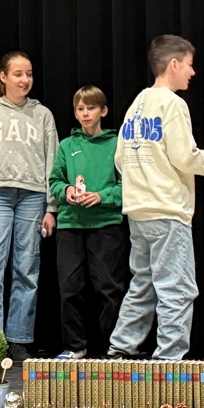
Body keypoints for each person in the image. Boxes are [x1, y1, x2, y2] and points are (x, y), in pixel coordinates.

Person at [108, 35, 204, 362]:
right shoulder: (174, 104)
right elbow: (186, 158)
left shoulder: (137, 103)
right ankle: (168, 361)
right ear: (174, 64)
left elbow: (119, 159)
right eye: (189, 65)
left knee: (143, 284)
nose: (192, 72)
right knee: (177, 288)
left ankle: (120, 349)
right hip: (167, 210)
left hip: (138, 211)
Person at [0, 51, 58, 361]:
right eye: (18, 74)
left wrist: (51, 208)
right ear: (3, 77)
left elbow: (53, 162)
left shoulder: (42, 115)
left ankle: (18, 339)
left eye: (29, 74)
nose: (25, 80)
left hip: (33, 197)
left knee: (26, 269)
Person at [49, 85, 128, 359]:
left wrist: (101, 196)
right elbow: (55, 181)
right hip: (71, 226)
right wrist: (67, 190)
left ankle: (113, 347)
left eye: (91, 108)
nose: (85, 113)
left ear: (103, 111)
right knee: (70, 289)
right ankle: (76, 346)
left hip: (106, 225)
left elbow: (127, 186)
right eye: (80, 109)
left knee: (109, 288)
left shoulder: (116, 144)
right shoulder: (67, 146)